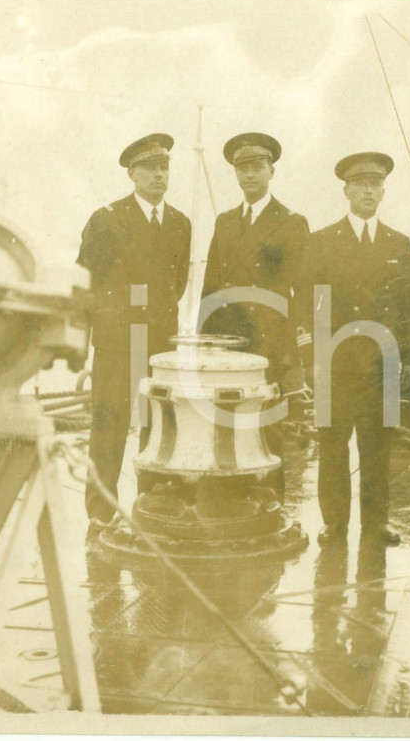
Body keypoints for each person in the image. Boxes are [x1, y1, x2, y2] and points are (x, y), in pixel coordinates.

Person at [294, 152, 410, 546]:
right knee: (332, 446)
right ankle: (334, 522)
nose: (368, 190)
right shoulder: (322, 242)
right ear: (346, 190)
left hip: (381, 364)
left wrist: (408, 357)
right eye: (360, 184)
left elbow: (407, 308)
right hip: (336, 364)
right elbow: (306, 304)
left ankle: (376, 523)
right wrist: (311, 359)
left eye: (375, 183)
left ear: (383, 190)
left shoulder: (399, 242)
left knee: (377, 448)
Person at [76, 133, 191, 529]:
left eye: (165, 168)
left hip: (159, 344)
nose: (159, 175)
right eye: (150, 168)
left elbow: (177, 283)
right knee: (108, 426)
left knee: (156, 427)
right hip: (116, 343)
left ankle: (150, 510)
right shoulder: (106, 219)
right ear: (132, 174)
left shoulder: (180, 223)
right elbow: (85, 283)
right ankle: (99, 514)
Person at [199, 132, 309, 502]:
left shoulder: (292, 222)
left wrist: (292, 350)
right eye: (242, 169)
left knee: (268, 428)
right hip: (229, 343)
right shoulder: (225, 222)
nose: (249, 176)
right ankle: (230, 503)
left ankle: (269, 506)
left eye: (256, 168)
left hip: (270, 343)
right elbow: (211, 286)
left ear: (271, 171)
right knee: (227, 422)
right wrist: (204, 342)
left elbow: (303, 292)